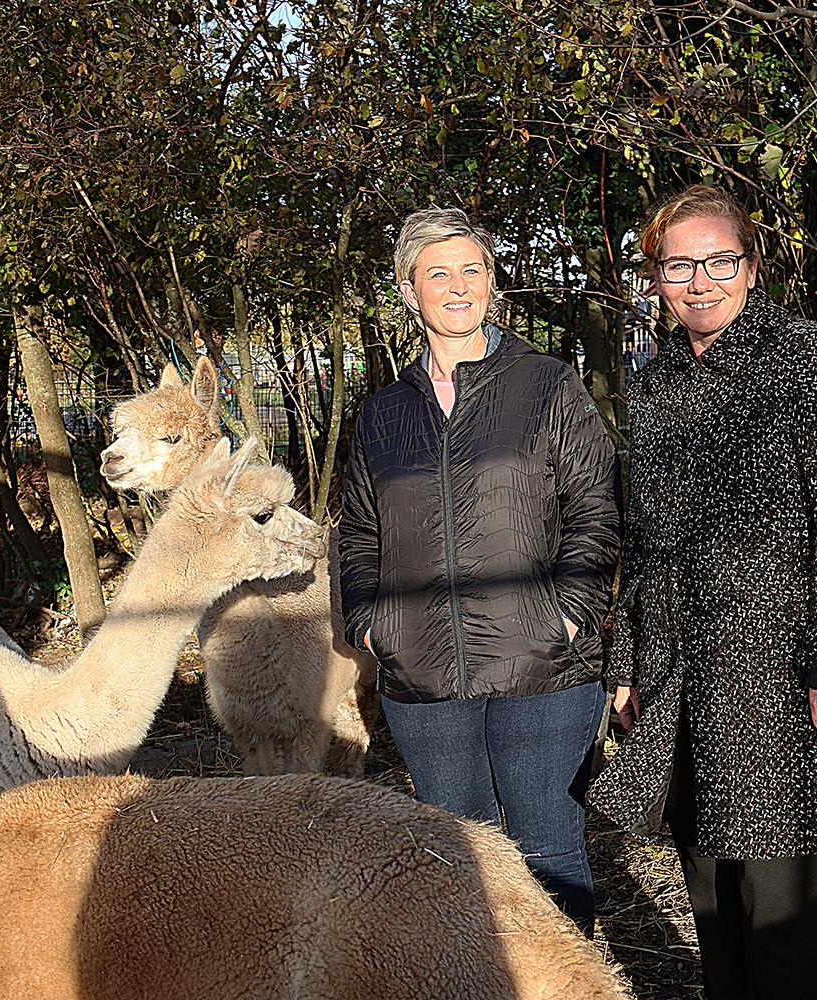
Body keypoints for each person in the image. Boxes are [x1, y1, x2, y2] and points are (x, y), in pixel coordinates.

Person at [338, 206, 620, 933]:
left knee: (549, 853)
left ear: (493, 284)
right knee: (455, 859)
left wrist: (567, 612)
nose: (458, 287)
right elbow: (360, 532)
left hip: (544, 671)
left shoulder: (547, 385)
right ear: (409, 291)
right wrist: (371, 626)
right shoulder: (382, 414)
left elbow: (595, 508)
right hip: (424, 680)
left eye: (473, 270)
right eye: (438, 273)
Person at [588, 184, 817, 999]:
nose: (701, 280)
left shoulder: (799, 359)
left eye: (721, 260)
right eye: (679, 263)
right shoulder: (650, 392)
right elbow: (643, 542)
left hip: (776, 678)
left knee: (781, 912)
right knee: (711, 896)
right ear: (655, 276)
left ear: (753, 267)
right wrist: (628, 661)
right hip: (680, 672)